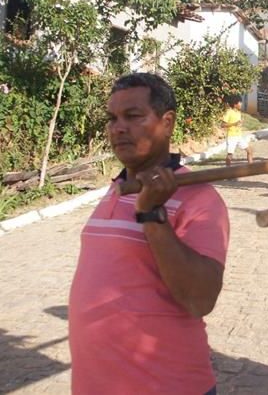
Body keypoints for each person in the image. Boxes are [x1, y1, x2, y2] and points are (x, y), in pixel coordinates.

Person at [69, 73, 229, 394]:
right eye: (112, 118)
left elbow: (200, 298)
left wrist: (153, 214)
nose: (118, 128)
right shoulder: (117, 188)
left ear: (166, 122)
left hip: (166, 385)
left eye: (133, 116)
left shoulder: (200, 199)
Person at [222, 94, 253, 166]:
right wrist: (234, 124)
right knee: (230, 156)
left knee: (250, 151)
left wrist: (240, 124)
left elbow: (237, 124)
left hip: (239, 136)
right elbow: (222, 125)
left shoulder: (238, 112)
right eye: (240, 102)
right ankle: (227, 171)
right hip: (231, 137)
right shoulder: (229, 112)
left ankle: (251, 168)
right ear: (235, 104)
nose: (241, 104)